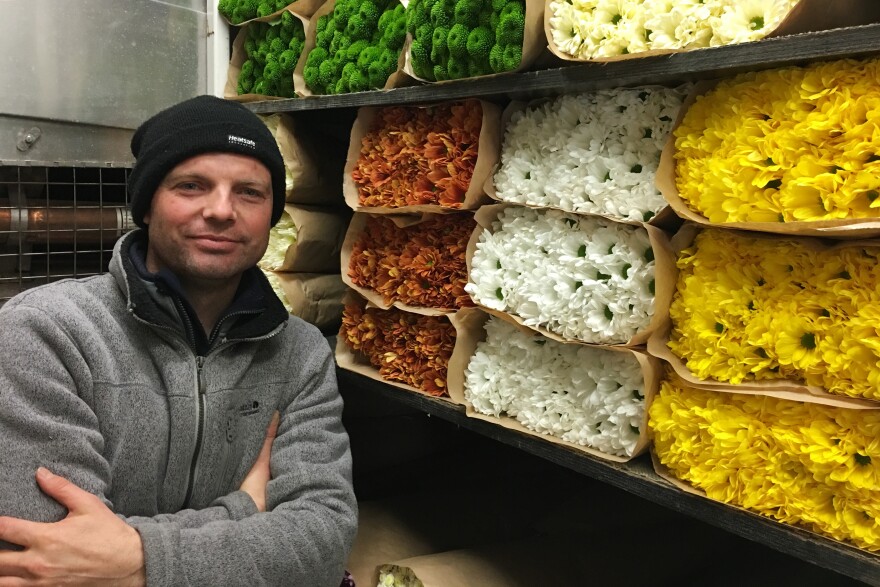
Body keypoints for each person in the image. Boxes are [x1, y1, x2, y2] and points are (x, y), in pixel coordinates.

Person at [0, 95, 357, 586]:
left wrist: (134, 559)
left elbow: (323, 545)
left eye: (250, 192)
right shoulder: (48, 333)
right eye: (192, 186)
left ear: (272, 212)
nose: (221, 210)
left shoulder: (300, 354)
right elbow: (44, 558)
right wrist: (243, 509)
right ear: (147, 205)